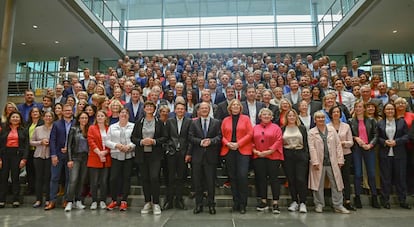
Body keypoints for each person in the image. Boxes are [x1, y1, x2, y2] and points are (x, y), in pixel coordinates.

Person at [308, 111, 349, 214]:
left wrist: (340, 159)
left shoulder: (331, 130)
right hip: (319, 163)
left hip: (332, 162)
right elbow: (311, 148)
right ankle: (319, 204)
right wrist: (315, 161)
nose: (321, 119)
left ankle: (338, 205)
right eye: (318, 118)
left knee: (336, 184)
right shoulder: (311, 132)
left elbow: (338, 145)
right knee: (318, 184)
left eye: (322, 117)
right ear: (315, 120)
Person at [131, 101, 167, 215]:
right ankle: (147, 202)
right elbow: (133, 138)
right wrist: (141, 141)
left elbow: (165, 137)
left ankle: (156, 203)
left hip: (155, 155)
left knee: (154, 177)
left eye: (151, 106)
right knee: (145, 179)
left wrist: (154, 141)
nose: (149, 108)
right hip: (142, 154)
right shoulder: (139, 122)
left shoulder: (159, 122)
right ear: (144, 109)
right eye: (147, 107)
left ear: (154, 109)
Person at [187, 102, 222, 215]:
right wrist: (200, 142)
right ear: (199, 110)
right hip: (197, 157)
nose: (204, 110)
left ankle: (211, 204)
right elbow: (190, 137)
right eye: (202, 108)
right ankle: (199, 205)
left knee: (210, 182)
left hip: (211, 157)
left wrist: (211, 141)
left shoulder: (216, 122)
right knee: (197, 182)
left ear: (209, 109)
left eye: (206, 108)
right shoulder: (193, 122)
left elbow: (220, 137)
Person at [220, 99, 253, 214]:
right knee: (233, 177)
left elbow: (250, 133)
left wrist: (239, 144)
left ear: (240, 107)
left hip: (242, 150)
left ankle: (243, 204)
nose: (235, 107)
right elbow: (221, 135)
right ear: (230, 107)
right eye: (233, 105)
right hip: (229, 150)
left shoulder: (246, 119)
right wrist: (227, 143)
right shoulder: (225, 120)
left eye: (237, 105)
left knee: (242, 176)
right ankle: (236, 202)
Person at [377, 103, 411, 209]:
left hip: (399, 153)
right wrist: (385, 142)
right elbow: (377, 137)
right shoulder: (380, 123)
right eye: (388, 109)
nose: (390, 111)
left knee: (400, 178)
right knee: (385, 178)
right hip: (385, 154)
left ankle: (402, 200)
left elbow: (407, 136)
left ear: (394, 110)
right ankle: (385, 200)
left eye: (392, 109)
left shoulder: (401, 122)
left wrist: (396, 142)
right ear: (384, 111)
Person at [349, 100, 380, 208]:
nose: (358, 108)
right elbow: (349, 135)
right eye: (356, 106)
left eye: (360, 106)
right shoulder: (350, 121)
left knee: (371, 174)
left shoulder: (371, 121)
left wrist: (370, 145)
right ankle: (357, 197)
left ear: (364, 108)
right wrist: (355, 138)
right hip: (357, 149)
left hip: (369, 148)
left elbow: (376, 135)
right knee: (358, 174)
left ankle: (374, 197)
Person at [252, 108, 283, 214]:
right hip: (258, 156)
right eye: (263, 114)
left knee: (274, 179)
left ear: (272, 117)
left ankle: (275, 203)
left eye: (268, 115)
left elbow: (279, 140)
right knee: (261, 179)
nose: (266, 116)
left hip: (273, 157)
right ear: (260, 117)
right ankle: (263, 201)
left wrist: (268, 152)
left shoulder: (276, 128)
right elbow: (251, 140)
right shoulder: (255, 128)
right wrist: (255, 151)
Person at [105, 108, 136, 211]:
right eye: (122, 113)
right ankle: (114, 200)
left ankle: (124, 201)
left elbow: (136, 139)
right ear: (118, 115)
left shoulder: (133, 126)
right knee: (113, 178)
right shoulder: (112, 127)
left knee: (126, 178)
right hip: (116, 155)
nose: (124, 115)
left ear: (128, 115)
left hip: (128, 155)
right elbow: (107, 141)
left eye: (126, 113)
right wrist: (116, 145)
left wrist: (130, 146)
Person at [163, 102, 192, 210]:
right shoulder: (169, 122)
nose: (180, 111)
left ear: (185, 111)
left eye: (182, 109)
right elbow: (165, 138)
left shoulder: (189, 122)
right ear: (174, 110)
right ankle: (169, 201)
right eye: (178, 109)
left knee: (181, 178)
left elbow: (190, 139)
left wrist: (188, 153)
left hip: (183, 154)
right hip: (171, 153)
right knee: (170, 178)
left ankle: (179, 200)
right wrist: (167, 150)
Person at [45, 104, 74, 210]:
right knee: (54, 178)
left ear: (72, 111)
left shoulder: (76, 123)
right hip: (57, 155)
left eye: (69, 110)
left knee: (69, 178)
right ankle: (52, 201)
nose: (67, 112)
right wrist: (53, 155)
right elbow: (52, 140)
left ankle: (66, 200)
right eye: (65, 110)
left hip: (70, 156)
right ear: (62, 112)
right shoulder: (56, 124)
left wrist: (69, 148)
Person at [327, 106, 356, 211]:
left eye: (338, 112)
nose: (336, 113)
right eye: (333, 112)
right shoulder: (327, 126)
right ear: (330, 114)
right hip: (332, 156)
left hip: (345, 154)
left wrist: (343, 143)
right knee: (334, 179)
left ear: (340, 114)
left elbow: (351, 142)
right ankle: (336, 201)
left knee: (346, 178)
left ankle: (347, 200)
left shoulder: (346, 126)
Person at [0, 111, 29, 208]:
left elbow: (26, 146)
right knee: (3, 177)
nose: (15, 119)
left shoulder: (24, 130)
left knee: (15, 178)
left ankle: (16, 200)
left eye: (17, 117)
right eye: (13, 117)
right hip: (4, 155)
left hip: (17, 155)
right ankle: (2, 200)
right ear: (10, 119)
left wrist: (24, 159)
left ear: (20, 119)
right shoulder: (4, 129)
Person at [282, 109, 309, 213]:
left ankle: (303, 202)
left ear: (296, 117)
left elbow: (306, 142)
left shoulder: (302, 128)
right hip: (288, 156)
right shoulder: (283, 128)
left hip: (300, 155)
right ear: (287, 117)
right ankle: (294, 201)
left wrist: (306, 156)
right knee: (291, 179)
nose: (291, 117)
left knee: (300, 179)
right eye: (289, 116)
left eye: (293, 116)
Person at [64, 112, 90, 212]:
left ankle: (78, 200)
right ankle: (69, 201)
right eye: (82, 118)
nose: (84, 120)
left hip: (85, 157)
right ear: (78, 119)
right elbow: (69, 146)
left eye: (86, 118)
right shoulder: (73, 129)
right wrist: (69, 159)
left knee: (82, 180)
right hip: (75, 157)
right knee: (73, 180)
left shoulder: (89, 129)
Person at [87, 110, 111, 210]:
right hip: (94, 157)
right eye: (98, 116)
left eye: (102, 116)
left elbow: (111, 142)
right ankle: (94, 201)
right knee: (94, 181)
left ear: (105, 118)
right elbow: (91, 141)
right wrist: (99, 152)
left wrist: (105, 152)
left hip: (106, 157)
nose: (100, 117)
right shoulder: (92, 128)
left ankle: (102, 200)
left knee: (104, 181)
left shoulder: (109, 128)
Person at [30, 111, 54, 208]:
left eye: (50, 116)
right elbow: (31, 142)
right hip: (38, 156)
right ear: (43, 118)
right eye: (46, 116)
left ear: (52, 118)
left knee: (48, 178)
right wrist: (40, 142)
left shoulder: (54, 129)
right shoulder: (38, 129)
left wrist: (50, 143)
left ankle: (48, 199)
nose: (48, 118)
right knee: (38, 178)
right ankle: (38, 199)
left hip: (49, 155)